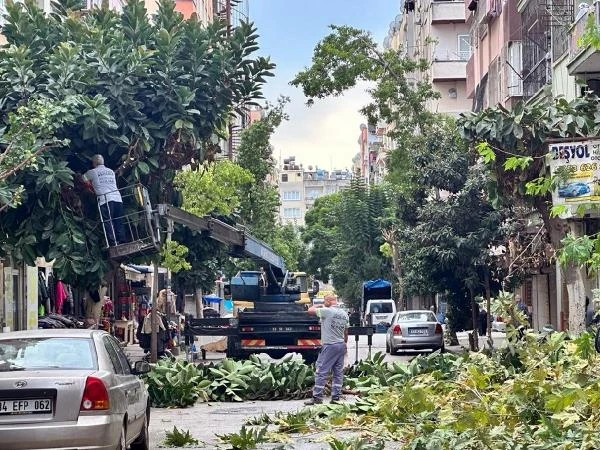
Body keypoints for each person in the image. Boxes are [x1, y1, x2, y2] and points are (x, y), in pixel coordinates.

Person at [305, 294, 349, 405]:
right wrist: (344, 345)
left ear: (329, 301)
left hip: (330, 345)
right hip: (340, 345)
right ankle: (336, 397)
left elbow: (310, 311)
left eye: (325, 301)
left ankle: (317, 397)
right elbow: (346, 332)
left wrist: (319, 305)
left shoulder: (327, 311)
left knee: (321, 371)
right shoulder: (344, 314)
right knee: (338, 372)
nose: (324, 303)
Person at [84, 154, 125, 246]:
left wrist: (90, 186)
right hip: (118, 198)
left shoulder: (93, 172)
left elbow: (82, 179)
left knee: (107, 221)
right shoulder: (111, 171)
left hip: (105, 199)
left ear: (94, 163)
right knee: (118, 220)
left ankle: (112, 242)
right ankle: (122, 240)